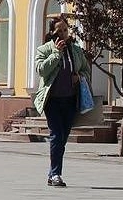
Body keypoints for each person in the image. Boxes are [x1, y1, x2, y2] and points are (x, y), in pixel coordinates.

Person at [33, 17, 91, 187]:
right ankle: (56, 174)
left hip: (71, 100)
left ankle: (52, 174)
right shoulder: (44, 49)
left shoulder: (76, 50)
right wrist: (56, 54)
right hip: (52, 100)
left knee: (63, 138)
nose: (63, 34)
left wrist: (79, 76)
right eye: (59, 31)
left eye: (65, 30)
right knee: (57, 136)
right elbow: (41, 70)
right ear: (52, 32)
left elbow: (86, 70)